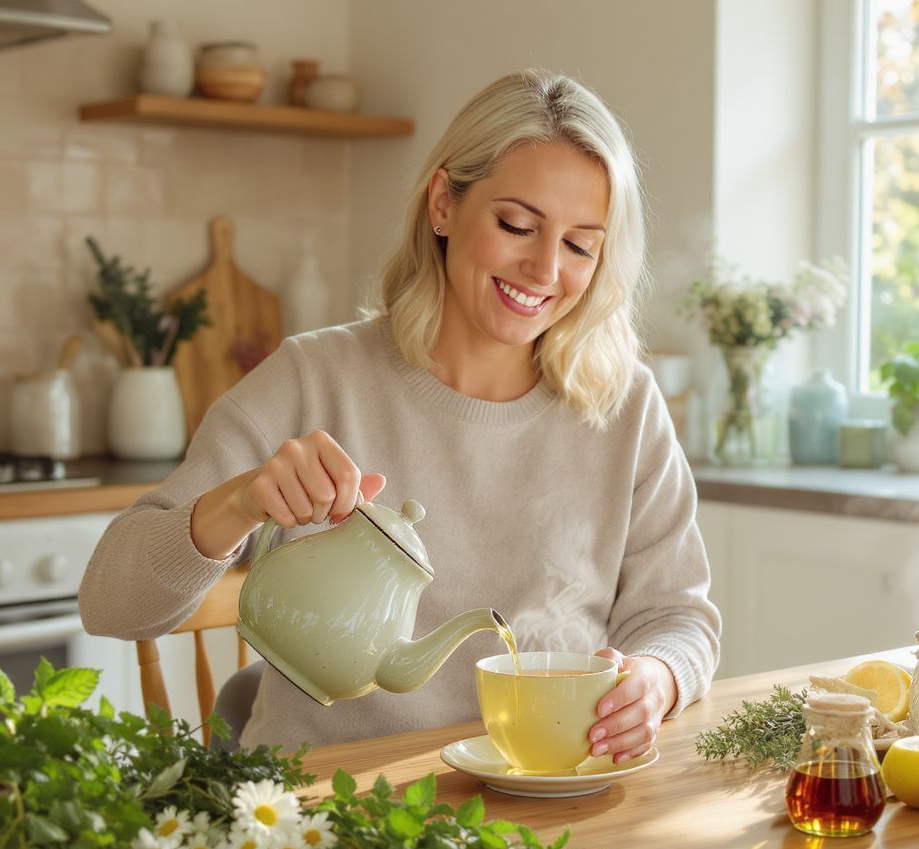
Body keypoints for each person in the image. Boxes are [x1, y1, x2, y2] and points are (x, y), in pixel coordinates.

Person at [80, 69, 721, 760]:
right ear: (443, 204)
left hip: (548, 798)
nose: (543, 269)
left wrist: (655, 680)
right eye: (517, 225)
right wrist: (235, 504)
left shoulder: (624, 407)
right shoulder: (313, 379)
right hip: (336, 811)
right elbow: (110, 606)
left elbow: (677, 618)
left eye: (579, 246)